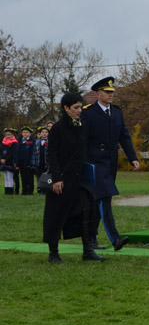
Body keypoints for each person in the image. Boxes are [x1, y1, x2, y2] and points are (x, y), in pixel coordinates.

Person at [43, 92, 106, 262]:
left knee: (86, 210)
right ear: (66, 108)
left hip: (79, 178)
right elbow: (52, 155)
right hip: (62, 179)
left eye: (80, 107)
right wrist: (56, 179)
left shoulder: (80, 125)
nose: (79, 110)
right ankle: (53, 253)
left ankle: (88, 250)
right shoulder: (57, 128)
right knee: (56, 215)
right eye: (76, 108)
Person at [82, 77, 139, 252]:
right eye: (107, 92)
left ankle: (91, 238)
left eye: (112, 92)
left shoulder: (116, 112)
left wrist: (133, 157)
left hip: (110, 161)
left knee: (98, 201)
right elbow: (82, 139)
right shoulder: (88, 112)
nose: (110, 95)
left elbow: (125, 136)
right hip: (94, 162)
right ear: (97, 94)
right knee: (104, 197)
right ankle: (115, 238)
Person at [15, 126, 36, 194]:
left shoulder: (32, 142)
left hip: (29, 163)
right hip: (21, 163)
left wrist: (32, 163)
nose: (25, 134)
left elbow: (33, 153)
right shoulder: (19, 141)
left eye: (27, 132)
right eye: (23, 132)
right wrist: (16, 163)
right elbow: (17, 152)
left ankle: (30, 191)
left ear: (30, 134)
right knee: (23, 178)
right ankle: (24, 190)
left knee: (30, 178)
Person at [33, 126, 49, 194]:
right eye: (43, 132)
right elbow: (34, 153)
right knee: (38, 176)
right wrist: (33, 163)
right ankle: (39, 190)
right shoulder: (37, 142)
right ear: (40, 133)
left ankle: (46, 190)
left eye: (46, 132)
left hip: (46, 162)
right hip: (39, 162)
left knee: (46, 176)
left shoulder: (50, 141)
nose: (44, 133)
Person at [1, 127, 17, 195]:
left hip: (9, 162)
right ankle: (6, 190)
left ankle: (10, 191)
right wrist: (1, 159)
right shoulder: (3, 143)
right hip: (3, 162)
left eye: (9, 134)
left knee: (10, 177)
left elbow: (12, 153)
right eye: (6, 134)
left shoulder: (14, 143)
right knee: (6, 177)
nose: (7, 136)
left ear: (12, 135)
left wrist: (6, 159)